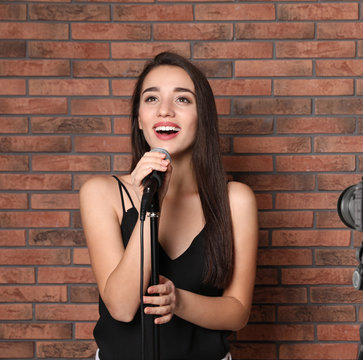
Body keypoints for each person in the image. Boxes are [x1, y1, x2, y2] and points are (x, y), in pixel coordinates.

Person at [80, 52, 259, 360]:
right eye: (151, 99)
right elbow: (122, 307)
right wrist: (153, 202)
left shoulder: (235, 200)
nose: (165, 110)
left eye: (182, 100)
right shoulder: (102, 193)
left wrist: (178, 302)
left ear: (202, 116)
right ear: (139, 118)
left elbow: (237, 312)